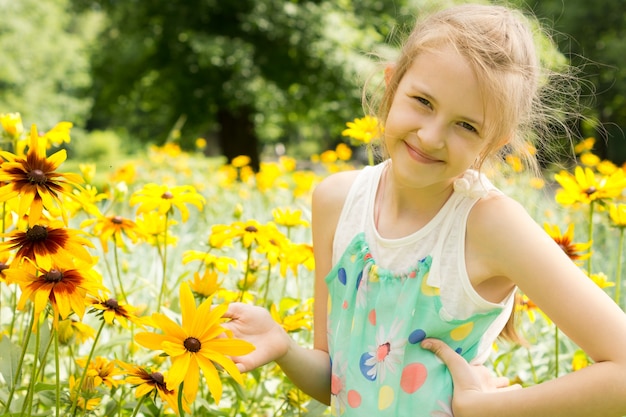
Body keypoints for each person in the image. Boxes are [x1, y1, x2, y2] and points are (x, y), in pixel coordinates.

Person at [222, 3, 626, 416]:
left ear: (496, 140)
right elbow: (338, 381)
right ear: (391, 85)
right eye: (423, 101)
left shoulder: (488, 225)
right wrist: (284, 347)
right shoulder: (337, 202)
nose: (431, 137)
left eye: (466, 125)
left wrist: (484, 410)